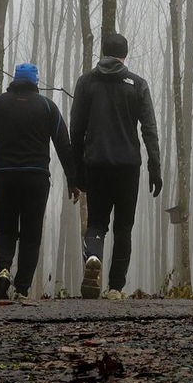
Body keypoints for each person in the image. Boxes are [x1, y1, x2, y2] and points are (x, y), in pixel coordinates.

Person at [70, 32, 162, 299]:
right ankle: (115, 288)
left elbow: (76, 130)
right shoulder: (137, 84)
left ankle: (93, 258)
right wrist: (154, 167)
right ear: (125, 55)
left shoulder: (86, 83)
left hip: (95, 164)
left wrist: (77, 172)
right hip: (128, 166)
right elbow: (149, 129)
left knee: (97, 222)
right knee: (124, 226)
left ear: (102, 52)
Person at [0, 62, 78, 299]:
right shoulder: (47, 107)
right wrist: (73, 180)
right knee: (32, 233)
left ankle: (3, 269)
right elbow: (64, 144)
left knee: (5, 229)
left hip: (5, 176)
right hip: (36, 177)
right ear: (36, 82)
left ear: (15, 80)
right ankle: (22, 289)